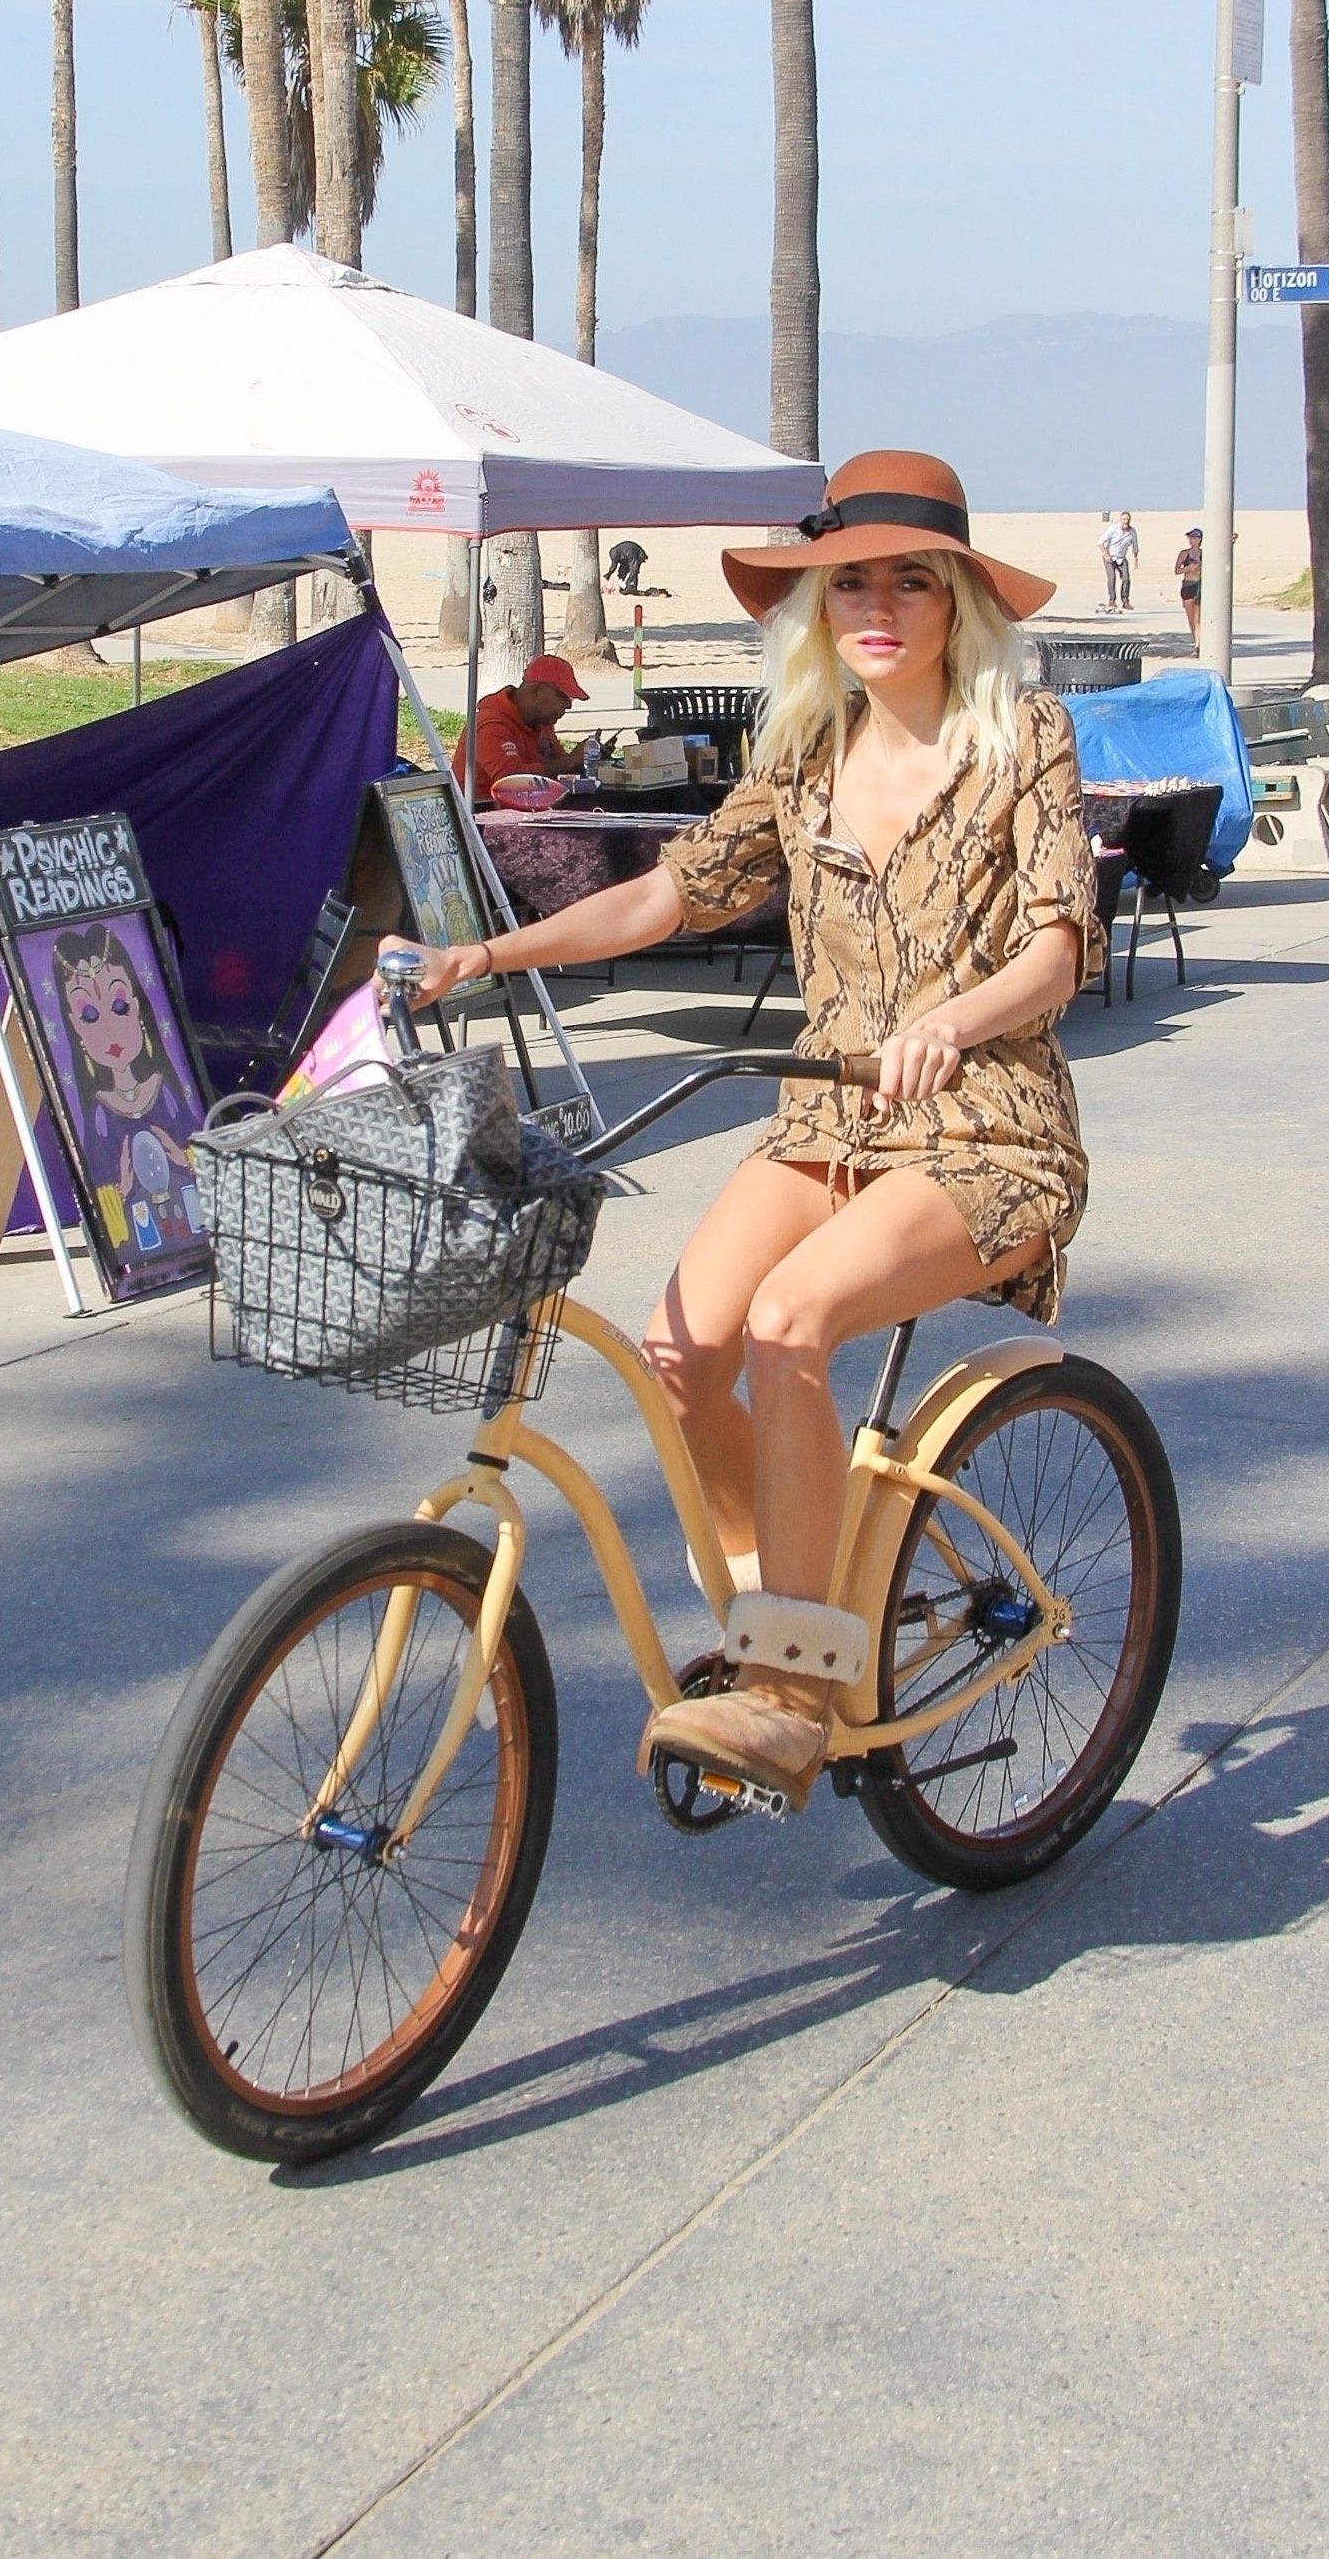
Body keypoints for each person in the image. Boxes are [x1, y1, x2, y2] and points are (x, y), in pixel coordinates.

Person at [390, 451, 1099, 1812]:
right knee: (677, 1356)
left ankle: (790, 1689)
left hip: (984, 1129)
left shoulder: (1023, 737)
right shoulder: (804, 753)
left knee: (789, 1324)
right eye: (850, 583)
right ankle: (790, 1603)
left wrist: (955, 1020)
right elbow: (670, 896)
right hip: (825, 1115)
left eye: (910, 582)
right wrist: (485, 956)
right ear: (819, 605)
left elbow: (1058, 949)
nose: (876, 607)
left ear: (957, 600)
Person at [451, 653, 589, 792]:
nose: (568, 705)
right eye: (563, 696)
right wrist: (570, 761)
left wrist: (584, 760)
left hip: (531, 802)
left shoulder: (542, 723)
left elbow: (560, 766)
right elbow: (512, 782)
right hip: (484, 804)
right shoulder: (490, 724)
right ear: (536, 690)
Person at [1175, 527, 1203, 651]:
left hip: (1199, 584)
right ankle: (1196, 640)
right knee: (1191, 618)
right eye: (1190, 538)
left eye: (1195, 538)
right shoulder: (1184, 554)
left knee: (1198, 618)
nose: (1192, 540)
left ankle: (1199, 644)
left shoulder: (1204, 554)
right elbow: (1177, 570)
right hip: (1188, 585)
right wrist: (1188, 568)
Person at [1097, 508, 1127, 613]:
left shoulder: (1131, 531)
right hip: (1109, 557)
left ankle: (1125, 600)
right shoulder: (1113, 529)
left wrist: (1136, 556)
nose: (1126, 521)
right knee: (1112, 578)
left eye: (1128, 519)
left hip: (1121, 558)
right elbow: (1100, 542)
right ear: (1120, 520)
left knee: (1126, 579)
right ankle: (1112, 600)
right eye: (1124, 519)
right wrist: (1106, 554)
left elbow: (1135, 543)